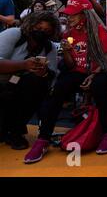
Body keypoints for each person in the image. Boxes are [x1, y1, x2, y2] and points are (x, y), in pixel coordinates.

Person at [23, 0, 107, 164]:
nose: (68, 17)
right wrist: (66, 50)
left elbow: (106, 58)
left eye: (73, 14)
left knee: (100, 86)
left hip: (99, 70)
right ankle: (43, 139)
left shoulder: (100, 30)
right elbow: (71, 66)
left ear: (85, 14)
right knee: (59, 88)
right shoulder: (69, 33)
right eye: (68, 14)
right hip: (79, 71)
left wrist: (93, 75)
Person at [0, 11, 59, 150]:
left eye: (46, 30)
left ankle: (15, 131)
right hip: (2, 82)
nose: (42, 32)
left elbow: (52, 74)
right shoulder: (14, 34)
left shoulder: (49, 47)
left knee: (38, 84)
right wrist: (23, 65)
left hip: (18, 87)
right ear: (30, 25)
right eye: (38, 29)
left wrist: (43, 73)